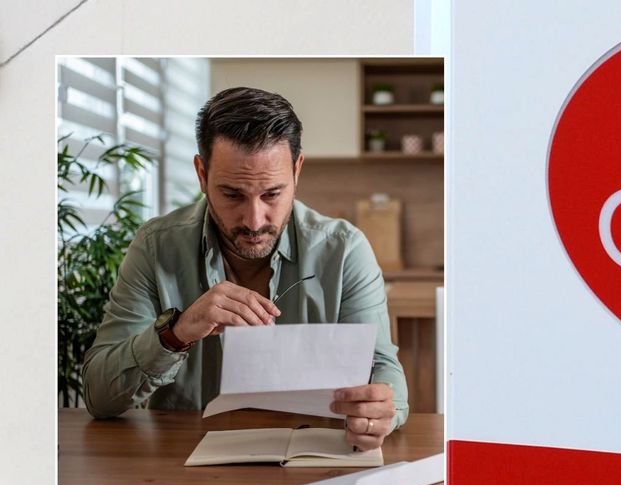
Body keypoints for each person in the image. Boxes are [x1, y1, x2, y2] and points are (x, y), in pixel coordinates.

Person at [82, 87, 407, 450]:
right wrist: (177, 333)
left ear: (297, 170)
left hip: (314, 459)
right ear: (201, 174)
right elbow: (98, 395)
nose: (254, 221)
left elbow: (382, 368)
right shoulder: (156, 246)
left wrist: (382, 410)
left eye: (271, 194)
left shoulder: (344, 250)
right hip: (183, 469)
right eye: (233, 195)